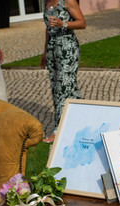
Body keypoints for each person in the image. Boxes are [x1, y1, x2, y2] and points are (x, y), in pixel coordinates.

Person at [41, 0, 86, 143]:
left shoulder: (68, 1)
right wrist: (45, 51)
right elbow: (48, 28)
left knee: (63, 88)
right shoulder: (47, 2)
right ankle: (83, 122)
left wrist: (63, 24)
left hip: (67, 47)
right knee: (62, 89)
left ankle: (58, 131)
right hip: (52, 49)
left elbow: (82, 23)